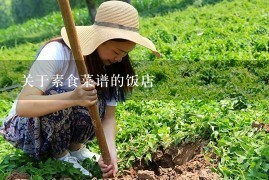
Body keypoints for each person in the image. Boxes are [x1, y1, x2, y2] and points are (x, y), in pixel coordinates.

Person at [0, 1, 159, 178]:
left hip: (62, 129)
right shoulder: (57, 52)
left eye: (125, 54)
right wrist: (74, 97)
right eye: (116, 51)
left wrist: (111, 153)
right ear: (100, 40)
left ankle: (75, 149)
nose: (119, 59)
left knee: (95, 97)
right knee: (60, 94)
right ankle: (60, 155)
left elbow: (108, 116)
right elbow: (24, 106)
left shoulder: (110, 67)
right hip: (28, 128)